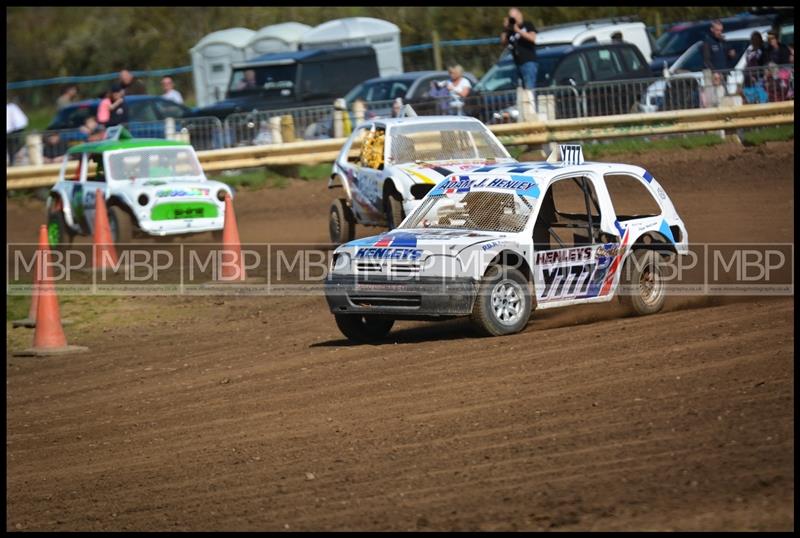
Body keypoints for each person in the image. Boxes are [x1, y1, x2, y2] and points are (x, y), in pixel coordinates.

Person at [500, 7, 538, 90]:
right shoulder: (510, 30)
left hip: (528, 62)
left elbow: (533, 38)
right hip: (517, 63)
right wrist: (506, 29)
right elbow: (503, 42)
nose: (513, 19)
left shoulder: (527, 25)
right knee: (520, 89)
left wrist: (518, 30)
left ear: (519, 15)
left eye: (514, 16)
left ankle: (531, 102)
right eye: (511, 17)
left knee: (529, 89)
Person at [742, 31, 768, 104]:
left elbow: (748, 63)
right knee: (760, 94)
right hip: (757, 75)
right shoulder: (760, 51)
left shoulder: (750, 51)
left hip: (752, 76)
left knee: (754, 95)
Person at [6, 99, 29, 166]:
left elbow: (20, 121)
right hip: (13, 129)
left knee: (12, 146)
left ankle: (12, 161)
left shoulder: (12, 107)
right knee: (12, 147)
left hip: (14, 130)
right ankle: (12, 161)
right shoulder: (12, 107)